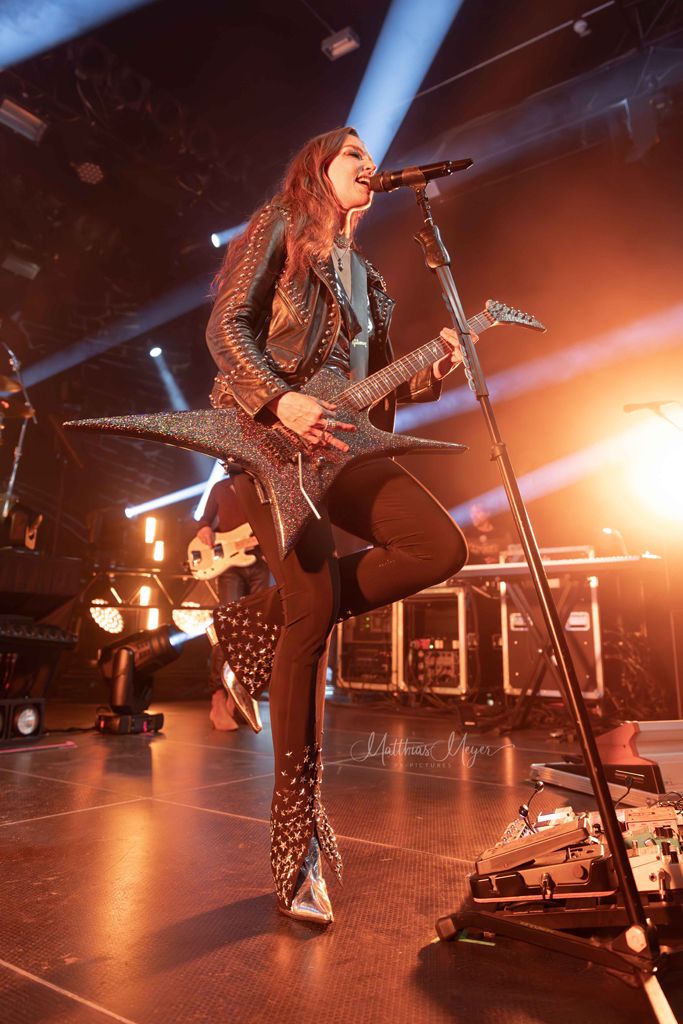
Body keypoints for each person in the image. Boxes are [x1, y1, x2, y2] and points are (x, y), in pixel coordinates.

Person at [205, 127, 468, 924]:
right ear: (318, 168)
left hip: (344, 445)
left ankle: (256, 617)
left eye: (369, 156)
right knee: (312, 616)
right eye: (353, 153)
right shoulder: (279, 226)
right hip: (267, 439)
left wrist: (429, 373)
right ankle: (298, 849)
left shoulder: (371, 280)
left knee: (437, 546)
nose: (368, 163)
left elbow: (371, 383)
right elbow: (225, 327)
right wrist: (276, 398)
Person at [193, 474, 270, 730]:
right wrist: (204, 528)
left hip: (260, 562)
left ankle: (239, 695)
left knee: (255, 632)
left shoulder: (263, 483)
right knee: (227, 629)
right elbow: (204, 520)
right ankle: (217, 696)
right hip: (229, 565)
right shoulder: (221, 487)